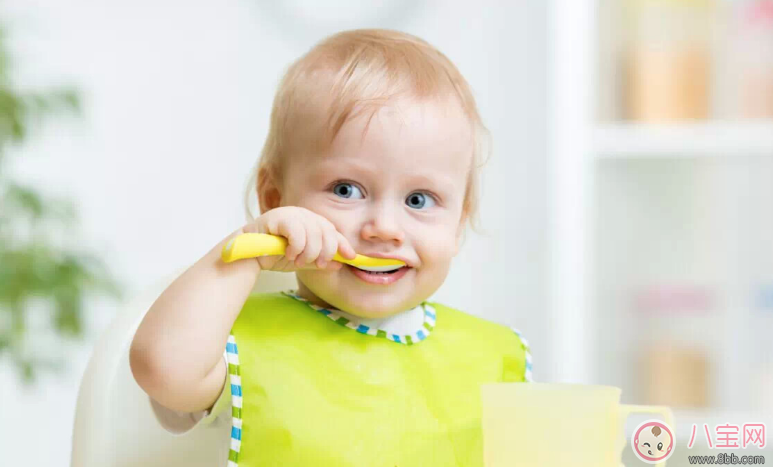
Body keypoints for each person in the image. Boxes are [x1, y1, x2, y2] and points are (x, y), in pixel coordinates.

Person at [130, 28, 532, 467]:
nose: (384, 228)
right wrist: (245, 252)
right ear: (275, 200)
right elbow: (161, 369)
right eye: (346, 190)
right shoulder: (229, 342)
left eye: (419, 200)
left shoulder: (493, 359)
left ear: (458, 222)